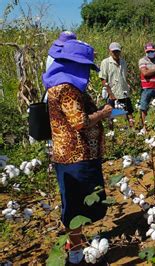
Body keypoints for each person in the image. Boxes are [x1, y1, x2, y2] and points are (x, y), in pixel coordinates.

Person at [43, 39, 112, 264]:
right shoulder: (68, 88)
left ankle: (76, 244)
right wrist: (103, 113)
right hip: (76, 155)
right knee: (77, 204)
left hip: (69, 154)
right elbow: (79, 122)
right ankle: (76, 253)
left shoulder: (56, 84)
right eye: (84, 67)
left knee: (75, 202)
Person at [99, 42, 134, 128]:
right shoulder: (105, 62)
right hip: (112, 92)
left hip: (123, 90)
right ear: (110, 51)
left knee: (129, 111)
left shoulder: (123, 62)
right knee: (110, 113)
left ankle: (132, 128)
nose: (115, 53)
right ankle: (111, 131)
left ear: (120, 51)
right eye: (113, 51)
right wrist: (110, 93)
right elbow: (103, 79)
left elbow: (124, 76)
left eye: (117, 51)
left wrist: (128, 86)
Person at [138, 42, 155, 131]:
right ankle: (144, 127)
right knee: (144, 107)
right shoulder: (142, 60)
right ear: (145, 51)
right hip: (146, 88)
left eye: (152, 51)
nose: (150, 53)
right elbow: (145, 73)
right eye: (148, 51)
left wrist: (150, 71)